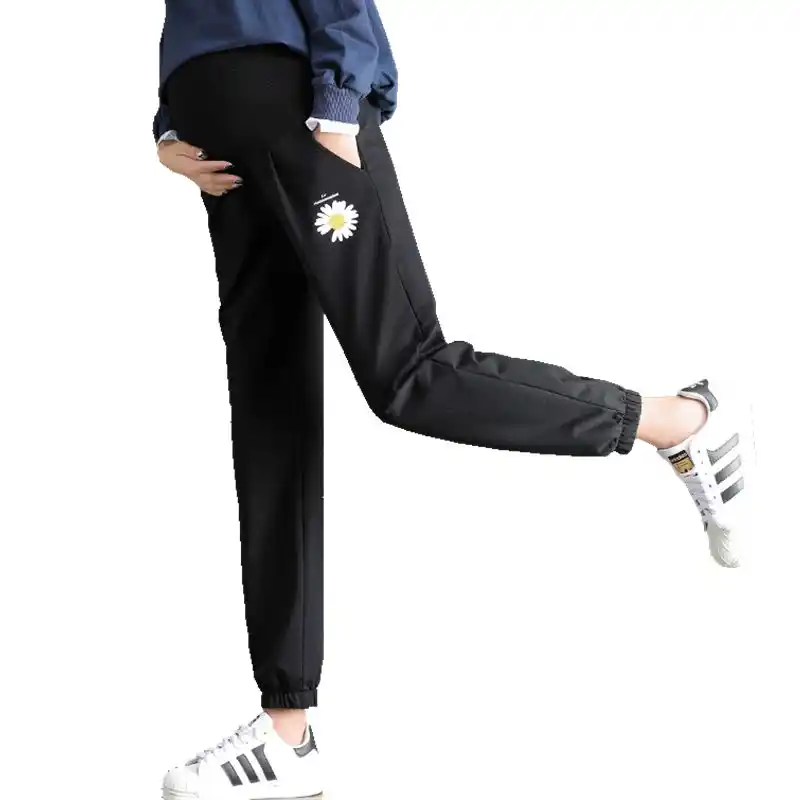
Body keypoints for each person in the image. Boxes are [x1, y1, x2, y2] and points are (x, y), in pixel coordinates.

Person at [154, 2, 748, 798]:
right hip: (224, 149)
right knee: (270, 410)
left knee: (408, 371)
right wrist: (170, 121)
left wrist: (336, 104)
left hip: (298, 113)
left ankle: (679, 420)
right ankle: (288, 732)